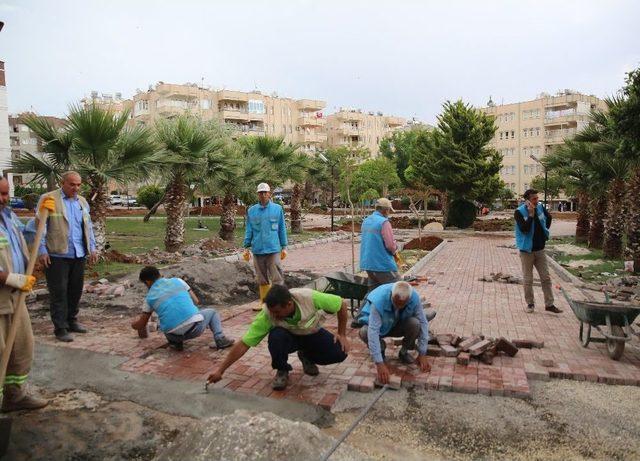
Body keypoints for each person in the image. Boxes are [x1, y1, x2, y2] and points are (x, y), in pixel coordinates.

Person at [207, 285, 350, 390]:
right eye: (271, 311)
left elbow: (341, 304)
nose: (273, 315)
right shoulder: (268, 314)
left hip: (311, 334)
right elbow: (244, 343)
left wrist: (342, 334)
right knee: (276, 336)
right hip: (289, 338)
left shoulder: (309, 297)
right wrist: (221, 370)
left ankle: (307, 356)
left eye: (277, 311)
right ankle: (282, 370)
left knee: (340, 353)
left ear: (289, 304)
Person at [0, 177, 51, 412]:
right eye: (0, 194)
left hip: (16, 296)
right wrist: (9, 278)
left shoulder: (8, 216)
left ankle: (14, 396)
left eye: (6, 193)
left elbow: (30, 235)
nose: (5, 199)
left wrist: (40, 216)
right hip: (3, 295)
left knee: (21, 347)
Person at [36, 171, 98, 342]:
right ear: (62, 183)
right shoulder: (49, 198)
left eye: (78, 185)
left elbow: (88, 227)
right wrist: (42, 250)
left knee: (75, 291)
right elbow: (40, 226)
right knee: (59, 292)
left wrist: (92, 248)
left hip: (78, 254)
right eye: (72, 184)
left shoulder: (82, 202)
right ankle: (60, 327)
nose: (76, 188)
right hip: (57, 255)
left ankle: (72, 321)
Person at [130, 266, 234, 351]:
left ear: (147, 282)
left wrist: (133, 325)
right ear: (159, 274)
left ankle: (176, 344)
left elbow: (141, 324)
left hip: (173, 335)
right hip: (196, 329)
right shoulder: (178, 281)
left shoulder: (149, 298)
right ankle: (220, 339)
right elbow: (196, 301)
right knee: (212, 312)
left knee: (164, 322)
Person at [357, 281, 431, 385]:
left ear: (408, 300)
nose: (398, 307)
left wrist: (422, 352)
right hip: (381, 327)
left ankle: (404, 352)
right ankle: (381, 350)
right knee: (364, 331)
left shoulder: (414, 298)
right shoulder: (379, 299)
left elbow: (424, 323)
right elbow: (373, 330)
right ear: (391, 295)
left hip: (398, 325)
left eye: (402, 304)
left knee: (415, 324)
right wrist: (379, 363)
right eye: (395, 302)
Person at [514, 189, 562, 314]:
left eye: (537, 198)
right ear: (527, 200)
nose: (537, 201)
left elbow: (549, 217)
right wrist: (530, 215)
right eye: (534, 199)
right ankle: (530, 304)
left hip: (540, 249)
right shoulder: (519, 212)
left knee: (545, 278)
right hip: (527, 250)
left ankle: (549, 304)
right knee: (528, 279)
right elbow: (524, 229)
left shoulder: (540, 207)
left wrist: (545, 231)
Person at [243, 183, 288, 311]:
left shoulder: (277, 209)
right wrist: (246, 246)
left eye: (265, 192)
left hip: (273, 249)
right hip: (258, 249)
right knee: (262, 279)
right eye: (260, 193)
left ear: (269, 194)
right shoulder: (252, 211)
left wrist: (284, 246)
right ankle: (264, 303)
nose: (263, 195)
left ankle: (279, 302)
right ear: (257, 194)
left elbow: (281, 228)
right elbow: (249, 230)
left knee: (277, 277)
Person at [359, 198, 402, 291]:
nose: (389, 213)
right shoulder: (384, 222)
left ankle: (366, 306)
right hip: (382, 265)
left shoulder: (366, 220)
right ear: (386, 210)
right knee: (399, 290)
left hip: (368, 265)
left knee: (373, 293)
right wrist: (395, 250)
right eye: (389, 210)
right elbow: (390, 246)